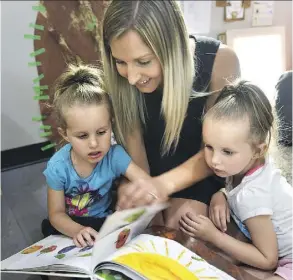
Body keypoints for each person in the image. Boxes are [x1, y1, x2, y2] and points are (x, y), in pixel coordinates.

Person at [100, 0, 240, 228]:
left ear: (172, 46)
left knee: (182, 231)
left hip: (203, 169)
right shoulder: (122, 80)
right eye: (120, 62)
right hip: (144, 175)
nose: (132, 77)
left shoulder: (220, 61)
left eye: (143, 61)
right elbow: (136, 149)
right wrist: (147, 199)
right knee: (144, 238)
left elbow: (219, 153)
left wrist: (161, 186)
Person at [179, 80, 292, 280]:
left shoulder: (253, 194)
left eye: (227, 152)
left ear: (259, 149)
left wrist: (214, 236)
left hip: (285, 259)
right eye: (209, 146)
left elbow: (268, 259)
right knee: (208, 261)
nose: (214, 160)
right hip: (271, 248)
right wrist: (220, 194)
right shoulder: (247, 165)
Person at [41, 64, 149, 248]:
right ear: (65, 134)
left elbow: (146, 183)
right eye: (82, 136)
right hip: (70, 224)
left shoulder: (115, 156)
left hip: (105, 222)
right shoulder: (57, 167)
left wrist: (134, 199)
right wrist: (76, 230)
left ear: (111, 125)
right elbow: (56, 214)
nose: (93, 143)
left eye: (101, 132)